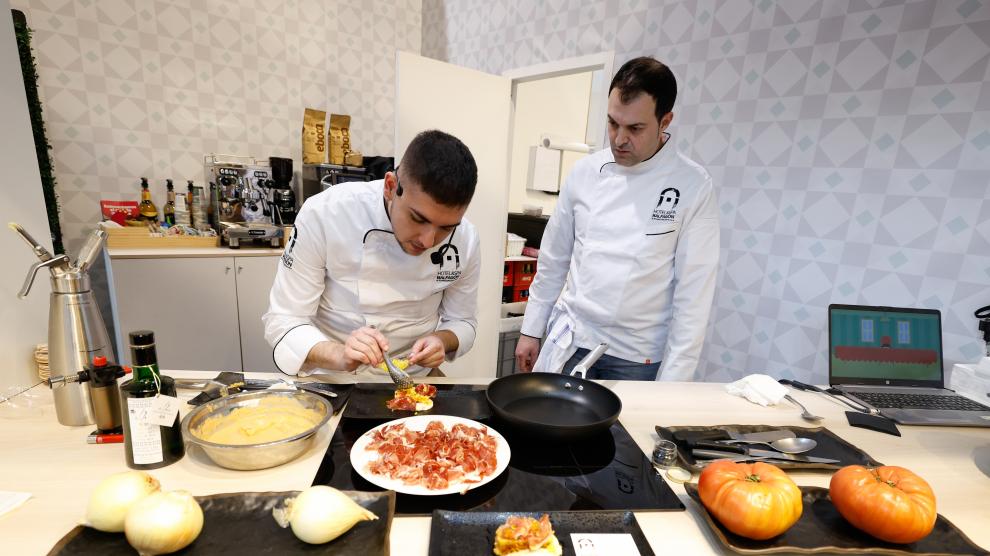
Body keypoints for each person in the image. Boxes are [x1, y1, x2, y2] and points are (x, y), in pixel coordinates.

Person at [514, 56, 720, 381]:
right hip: (572, 337)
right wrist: (531, 329)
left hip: (636, 355)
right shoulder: (584, 173)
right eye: (612, 123)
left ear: (665, 120)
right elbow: (554, 259)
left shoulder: (692, 185)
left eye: (635, 128)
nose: (619, 139)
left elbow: (693, 296)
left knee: (626, 434)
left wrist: (673, 385)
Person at [264, 130, 481, 377]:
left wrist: (441, 340)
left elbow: (463, 321)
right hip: (333, 376)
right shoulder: (325, 213)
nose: (428, 240)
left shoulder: (467, 238)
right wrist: (340, 354)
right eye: (418, 218)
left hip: (414, 376)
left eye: (446, 228)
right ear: (390, 187)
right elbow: (284, 320)